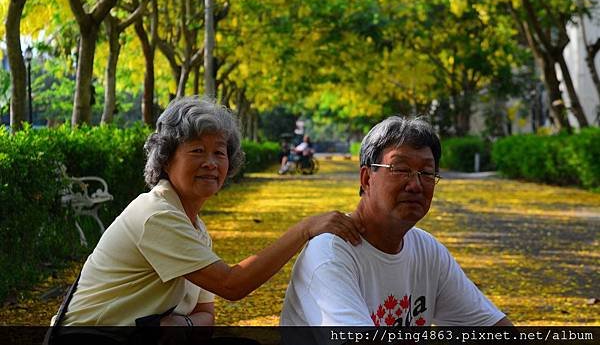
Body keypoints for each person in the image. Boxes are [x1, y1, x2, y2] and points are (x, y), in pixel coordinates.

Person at [55, 96, 363, 327]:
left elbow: (206, 314)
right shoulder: (156, 215)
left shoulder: (193, 226)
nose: (211, 163)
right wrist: (304, 229)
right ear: (165, 160)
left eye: (219, 152)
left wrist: (183, 325)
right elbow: (232, 285)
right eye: (197, 151)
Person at [280, 116, 512, 328]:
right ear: (366, 178)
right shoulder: (331, 254)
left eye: (427, 173)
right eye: (400, 169)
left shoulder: (427, 251)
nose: (415, 185)